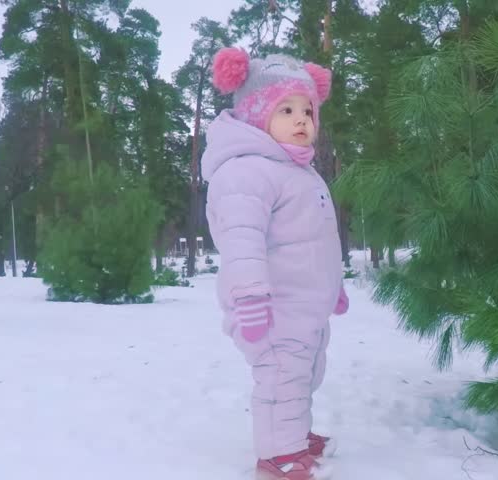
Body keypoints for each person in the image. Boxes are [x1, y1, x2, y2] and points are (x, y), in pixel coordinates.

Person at [201, 47, 350, 480]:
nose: (301, 119)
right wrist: (249, 298)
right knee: (281, 379)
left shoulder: (303, 173)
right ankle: (276, 455)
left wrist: (334, 287)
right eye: (286, 109)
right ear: (255, 114)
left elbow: (320, 241)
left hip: (306, 306)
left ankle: (296, 439)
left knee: (303, 375)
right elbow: (241, 242)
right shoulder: (245, 172)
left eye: (308, 110)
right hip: (271, 307)